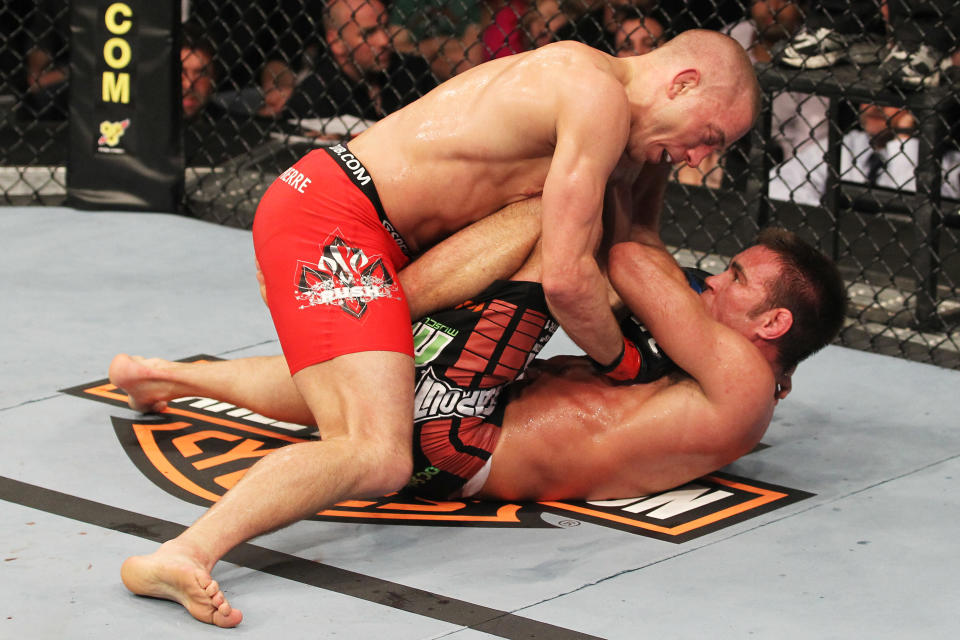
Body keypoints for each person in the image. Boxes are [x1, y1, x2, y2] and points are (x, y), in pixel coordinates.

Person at [112, 29, 761, 626]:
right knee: (378, 451)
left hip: (389, 242)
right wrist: (627, 362)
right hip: (334, 219)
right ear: (681, 83)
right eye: (711, 134)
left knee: (544, 238)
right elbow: (567, 281)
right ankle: (187, 552)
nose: (701, 157)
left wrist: (666, 325)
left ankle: (162, 377)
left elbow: (637, 248)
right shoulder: (594, 97)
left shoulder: (638, 147)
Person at [112, 188, 845, 624]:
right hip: (478, 406)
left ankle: (187, 551)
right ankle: (167, 378)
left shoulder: (745, 380)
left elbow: (625, 259)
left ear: (772, 325)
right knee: (361, 381)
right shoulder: (724, 377)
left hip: (471, 435)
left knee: (560, 220)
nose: (713, 282)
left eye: (736, 279)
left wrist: (618, 179)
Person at [282, 0, 438, 137]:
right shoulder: (313, 96)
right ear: (337, 42)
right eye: (368, 33)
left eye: (385, 27)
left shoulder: (414, 72)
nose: (384, 40)